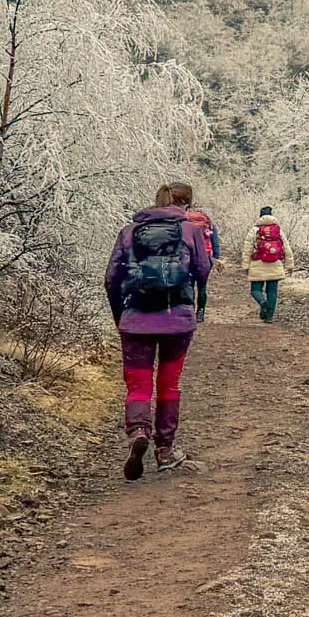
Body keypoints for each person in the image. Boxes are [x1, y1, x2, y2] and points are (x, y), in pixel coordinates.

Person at [103, 182, 214, 479]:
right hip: (176, 321)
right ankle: (164, 449)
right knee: (169, 384)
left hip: (135, 321)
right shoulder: (191, 231)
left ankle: (138, 431)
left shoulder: (129, 232)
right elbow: (203, 270)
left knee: (138, 385)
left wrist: (121, 316)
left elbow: (111, 278)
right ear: (186, 205)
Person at [246, 205, 289, 321]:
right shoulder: (278, 231)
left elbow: (247, 249)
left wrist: (245, 265)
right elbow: (287, 248)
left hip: (257, 264)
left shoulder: (254, 230)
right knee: (272, 291)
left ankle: (263, 303)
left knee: (255, 290)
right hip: (275, 264)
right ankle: (269, 317)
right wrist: (290, 265)